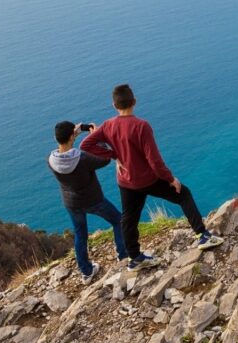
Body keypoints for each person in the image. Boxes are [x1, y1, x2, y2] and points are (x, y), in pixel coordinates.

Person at [81, 84, 222, 271]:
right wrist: (171, 179)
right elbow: (154, 161)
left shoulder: (108, 125)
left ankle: (135, 258)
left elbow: (86, 145)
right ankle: (202, 236)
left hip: (126, 182)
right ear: (134, 101)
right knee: (184, 194)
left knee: (128, 219)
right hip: (148, 179)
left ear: (114, 105)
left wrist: (114, 155)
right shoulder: (141, 126)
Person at [48, 120, 127, 283]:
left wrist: (73, 136)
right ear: (71, 136)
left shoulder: (51, 160)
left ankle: (86, 271)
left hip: (71, 203)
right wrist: (97, 138)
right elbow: (105, 159)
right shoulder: (82, 158)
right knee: (118, 220)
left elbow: (65, 152)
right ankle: (123, 255)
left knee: (80, 234)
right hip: (93, 200)